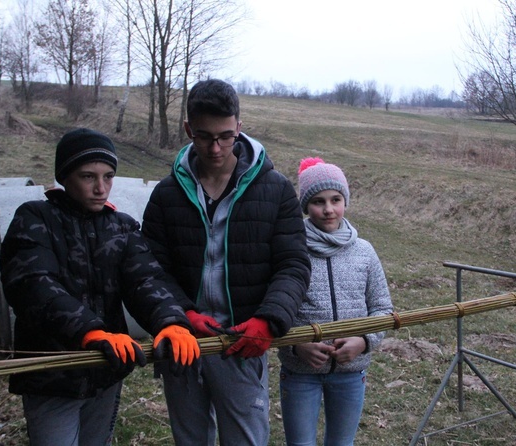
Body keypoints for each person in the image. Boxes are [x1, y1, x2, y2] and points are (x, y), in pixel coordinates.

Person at [0, 128, 201, 446]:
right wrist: (89, 332)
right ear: (65, 176)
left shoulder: (120, 226)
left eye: (108, 177)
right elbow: (32, 285)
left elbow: (145, 281)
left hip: (106, 367)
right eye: (87, 176)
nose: (100, 188)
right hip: (52, 374)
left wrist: (172, 322)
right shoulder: (35, 219)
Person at [141, 79, 311, 445]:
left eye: (226, 136)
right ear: (188, 129)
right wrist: (179, 314)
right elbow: (152, 269)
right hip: (182, 342)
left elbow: (293, 265)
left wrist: (269, 320)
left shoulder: (276, 190)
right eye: (204, 137)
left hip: (242, 341)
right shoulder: (166, 195)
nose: (216, 148)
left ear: (239, 126)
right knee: (190, 438)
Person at [277, 157, 394, 446]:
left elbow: (382, 308)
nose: (328, 209)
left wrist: (364, 341)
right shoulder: (290, 250)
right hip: (300, 373)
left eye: (335, 199)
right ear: (305, 206)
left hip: (351, 374)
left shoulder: (364, 252)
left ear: (345, 200)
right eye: (318, 201)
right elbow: (275, 311)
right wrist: (295, 345)